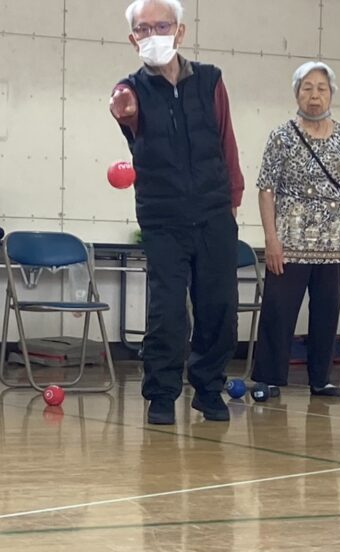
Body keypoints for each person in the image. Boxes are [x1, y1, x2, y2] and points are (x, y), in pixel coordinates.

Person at [110, 0, 244, 425]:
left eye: (161, 26)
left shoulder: (210, 80)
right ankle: (162, 393)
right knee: (167, 311)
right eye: (143, 29)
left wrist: (233, 196)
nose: (153, 35)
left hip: (214, 210)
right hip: (163, 217)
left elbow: (226, 140)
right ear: (133, 39)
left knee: (219, 307)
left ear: (180, 32)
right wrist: (124, 111)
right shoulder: (130, 88)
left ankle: (208, 389)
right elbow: (125, 112)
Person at [251, 62, 340, 398]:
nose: (315, 96)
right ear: (296, 93)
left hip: (334, 244)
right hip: (290, 241)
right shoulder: (282, 136)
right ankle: (270, 377)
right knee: (278, 310)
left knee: (327, 310)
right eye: (307, 88)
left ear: (331, 94)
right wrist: (271, 239)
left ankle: (321, 378)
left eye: (322, 89)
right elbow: (266, 189)